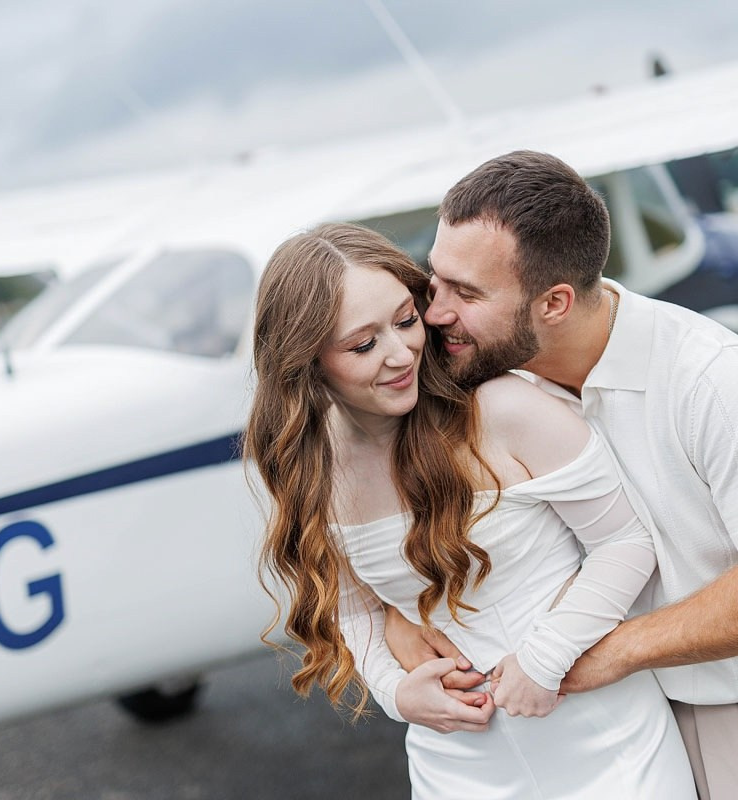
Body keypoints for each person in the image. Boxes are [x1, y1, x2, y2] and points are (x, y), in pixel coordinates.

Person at [383, 150, 738, 800]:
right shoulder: (471, 375)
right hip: (607, 734)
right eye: (436, 279)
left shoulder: (712, 375)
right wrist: (398, 622)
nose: (434, 312)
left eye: (467, 293)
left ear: (555, 302)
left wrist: (609, 653)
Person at [244, 222, 696, 798]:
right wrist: (397, 694)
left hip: (604, 738)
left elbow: (627, 542)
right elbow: (356, 611)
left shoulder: (503, 409)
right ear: (306, 362)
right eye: (363, 345)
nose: (400, 353)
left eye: (406, 321)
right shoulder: (311, 467)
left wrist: (544, 660)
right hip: (456, 764)